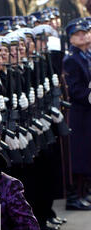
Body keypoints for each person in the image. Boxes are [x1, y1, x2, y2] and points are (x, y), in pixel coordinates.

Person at [63, 19, 91, 210]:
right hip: (79, 112)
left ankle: (85, 192)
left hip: (87, 110)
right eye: (77, 34)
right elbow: (75, 90)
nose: (82, 36)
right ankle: (77, 195)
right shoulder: (71, 59)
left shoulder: (86, 54)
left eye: (85, 32)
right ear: (71, 39)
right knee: (80, 154)